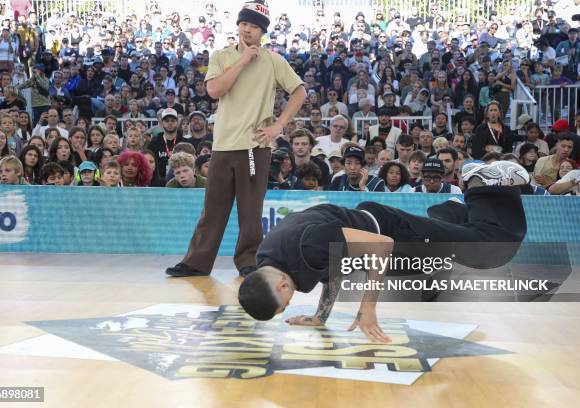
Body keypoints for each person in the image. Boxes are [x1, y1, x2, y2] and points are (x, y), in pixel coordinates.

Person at [238, 161, 529, 342]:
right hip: (372, 234)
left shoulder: (306, 244)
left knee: (487, 250)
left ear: (281, 284)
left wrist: (368, 308)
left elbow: (382, 246)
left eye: (283, 304)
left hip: (392, 235)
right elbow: (331, 265)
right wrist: (321, 316)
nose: (288, 305)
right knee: (438, 256)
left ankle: (485, 182)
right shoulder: (268, 257)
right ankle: (450, 211)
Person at [166, 1, 306, 278]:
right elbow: (215, 90)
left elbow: (300, 92)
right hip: (222, 145)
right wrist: (242, 60)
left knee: (250, 211)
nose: (247, 30)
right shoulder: (221, 55)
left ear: (262, 31)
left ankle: (248, 262)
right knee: (212, 209)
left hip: (255, 147)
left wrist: (278, 125)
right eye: (244, 24)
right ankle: (196, 262)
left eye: (254, 26)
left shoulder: (273, 60)